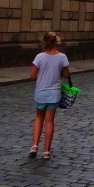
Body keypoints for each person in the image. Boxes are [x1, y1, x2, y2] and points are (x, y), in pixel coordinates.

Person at [29, 31, 71, 160]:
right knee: (49, 121)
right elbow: (65, 75)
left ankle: (34, 146)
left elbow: (32, 76)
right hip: (54, 93)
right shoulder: (62, 57)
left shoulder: (40, 57)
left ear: (44, 42)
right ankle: (46, 151)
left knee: (38, 118)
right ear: (56, 42)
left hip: (41, 92)